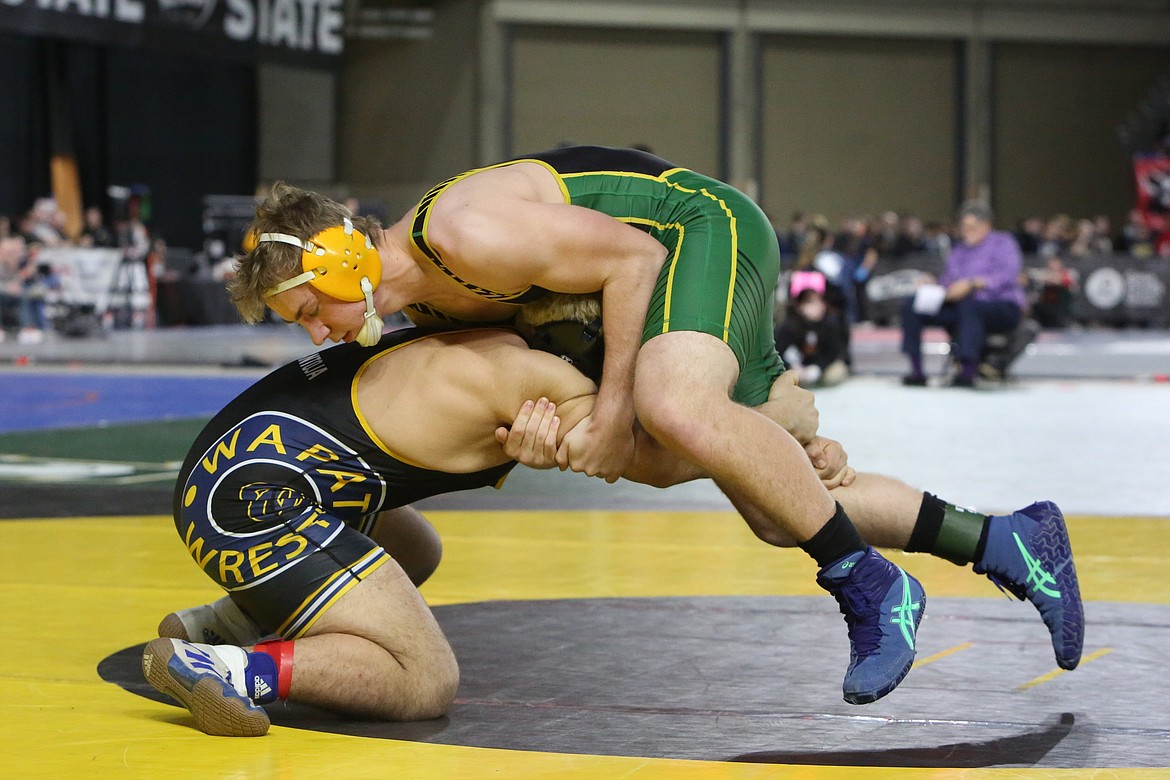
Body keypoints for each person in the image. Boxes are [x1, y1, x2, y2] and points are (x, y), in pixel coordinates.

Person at [226, 146, 1071, 708]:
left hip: (696, 229)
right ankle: (1007, 543)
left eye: (306, 310)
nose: (313, 333)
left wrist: (627, 412)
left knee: (668, 409)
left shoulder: (461, 233)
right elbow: (561, 383)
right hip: (636, 293)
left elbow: (636, 261)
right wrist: (548, 440)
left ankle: (871, 585)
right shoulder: (434, 306)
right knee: (765, 495)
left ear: (339, 260)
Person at [146, 327, 1082, 737]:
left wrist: (771, 434)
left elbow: (710, 442)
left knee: (418, 549)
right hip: (257, 494)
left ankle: (213, 625)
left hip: (259, 468)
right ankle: (231, 670)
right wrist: (774, 431)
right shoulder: (533, 381)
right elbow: (682, 455)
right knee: (424, 682)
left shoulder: (518, 344)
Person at [900, 202, 1026, 387]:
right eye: (963, 227)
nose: (966, 231)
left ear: (986, 225)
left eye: (971, 227)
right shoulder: (959, 250)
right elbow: (950, 278)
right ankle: (917, 370)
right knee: (913, 305)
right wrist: (936, 284)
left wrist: (972, 284)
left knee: (970, 307)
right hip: (961, 305)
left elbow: (1008, 275)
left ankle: (967, 371)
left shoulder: (1004, 243)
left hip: (1000, 306)